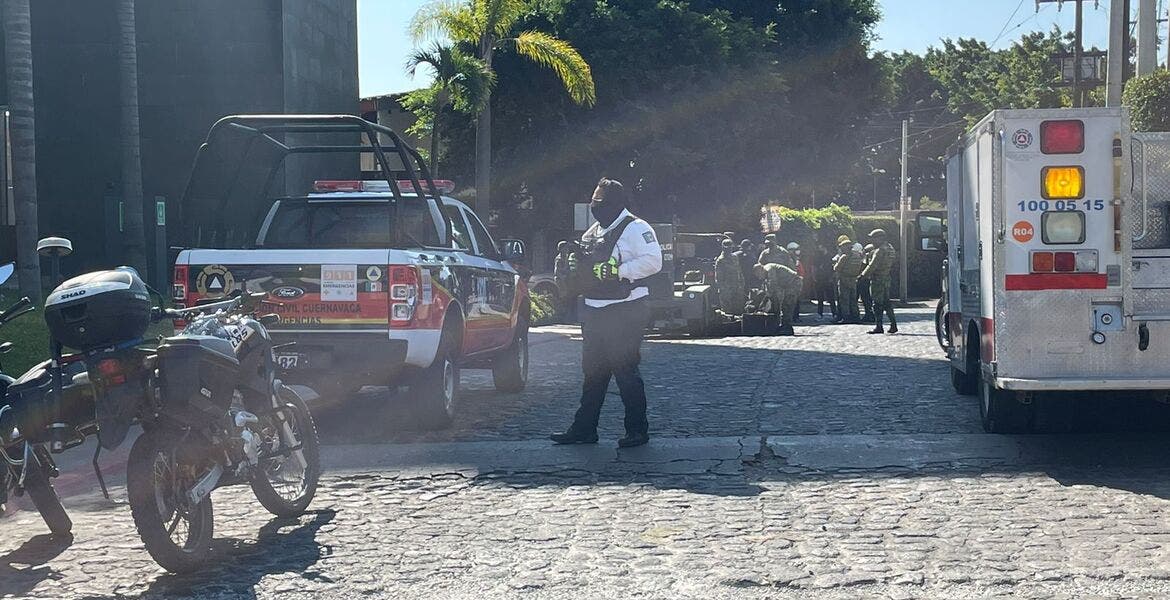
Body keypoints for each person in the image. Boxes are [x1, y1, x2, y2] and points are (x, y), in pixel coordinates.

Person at [551, 178, 663, 448]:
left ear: (615, 203)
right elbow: (586, 260)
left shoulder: (636, 228)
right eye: (593, 201)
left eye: (599, 202)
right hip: (594, 309)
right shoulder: (595, 230)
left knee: (625, 370)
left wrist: (619, 272)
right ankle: (584, 429)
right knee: (593, 372)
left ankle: (637, 430)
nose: (595, 206)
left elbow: (654, 261)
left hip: (626, 309)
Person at [863, 228, 898, 334]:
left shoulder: (880, 250)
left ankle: (879, 326)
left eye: (874, 238)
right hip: (886, 277)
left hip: (877, 279)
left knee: (877, 304)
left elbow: (872, 265)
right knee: (887, 302)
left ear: (880, 238)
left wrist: (863, 275)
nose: (872, 241)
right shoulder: (890, 248)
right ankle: (893, 324)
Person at [754, 262, 802, 336]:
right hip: (788, 285)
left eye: (758, 274)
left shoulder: (770, 269)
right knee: (784, 304)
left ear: (760, 270)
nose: (759, 277)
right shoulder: (766, 271)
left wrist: (768, 296)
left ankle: (787, 327)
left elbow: (773, 284)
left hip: (794, 283)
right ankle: (784, 325)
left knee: (787, 305)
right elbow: (769, 288)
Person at [833, 235, 864, 324]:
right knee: (853, 300)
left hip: (844, 279)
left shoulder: (844, 256)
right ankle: (856, 316)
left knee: (844, 299)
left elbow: (836, 268)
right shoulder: (857, 255)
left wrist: (836, 262)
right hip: (854, 279)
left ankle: (845, 317)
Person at [714, 238, 745, 315]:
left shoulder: (734, 257)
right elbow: (718, 276)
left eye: (730, 247)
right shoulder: (720, 260)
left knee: (739, 308)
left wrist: (742, 282)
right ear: (723, 248)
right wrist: (723, 288)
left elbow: (739, 270)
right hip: (727, 288)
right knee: (727, 310)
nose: (729, 249)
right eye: (727, 248)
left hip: (737, 286)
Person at [814, 243, 837, 319]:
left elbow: (834, 268)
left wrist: (832, 277)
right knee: (820, 298)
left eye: (821, 247)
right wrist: (814, 276)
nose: (819, 249)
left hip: (828, 279)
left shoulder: (830, 257)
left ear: (825, 247)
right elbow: (814, 267)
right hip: (819, 279)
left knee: (831, 298)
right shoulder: (818, 256)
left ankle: (834, 313)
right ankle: (819, 313)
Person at [858, 243, 876, 323]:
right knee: (867, 298)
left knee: (866, 297)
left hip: (866, 279)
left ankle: (869, 314)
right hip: (868, 279)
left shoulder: (869, 257)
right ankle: (869, 314)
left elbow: (865, 266)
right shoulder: (872, 256)